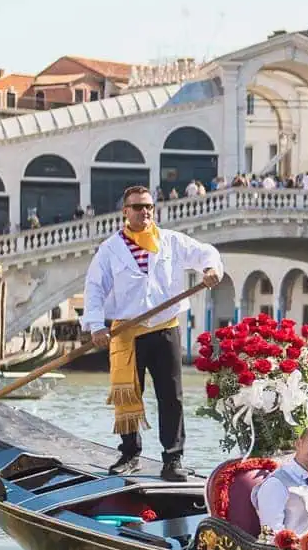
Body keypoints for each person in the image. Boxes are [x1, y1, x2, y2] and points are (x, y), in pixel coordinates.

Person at [83, 185, 223, 481]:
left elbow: (204, 252)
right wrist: (96, 325)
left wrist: (211, 268)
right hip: (126, 331)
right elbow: (95, 287)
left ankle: (173, 459)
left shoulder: (170, 241)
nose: (144, 212)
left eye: (148, 207)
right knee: (127, 395)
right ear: (125, 211)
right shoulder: (110, 249)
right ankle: (130, 453)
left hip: (164, 328)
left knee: (171, 397)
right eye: (137, 207)